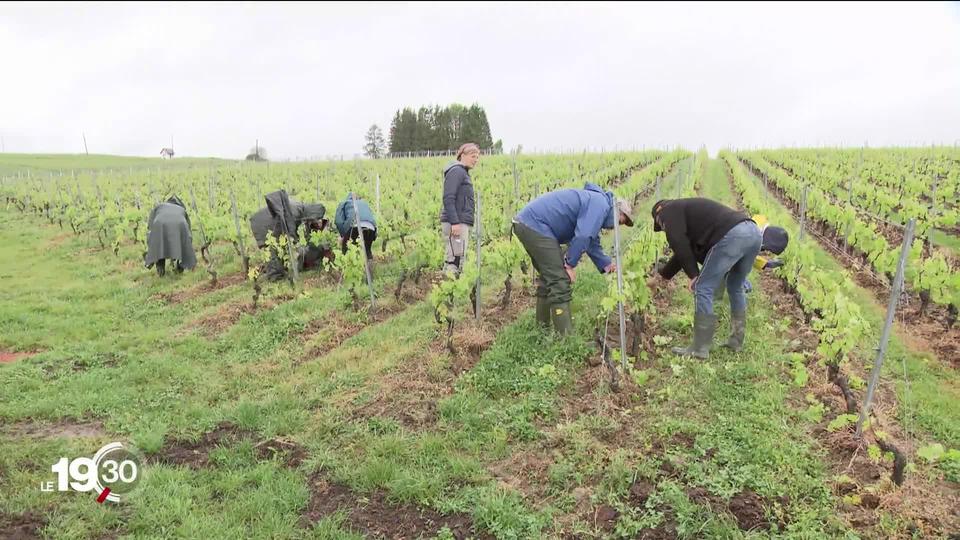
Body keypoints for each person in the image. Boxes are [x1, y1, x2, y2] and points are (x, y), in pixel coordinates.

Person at [649, 198, 788, 358]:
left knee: (703, 287)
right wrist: (665, 275)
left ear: (658, 213)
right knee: (735, 285)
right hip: (753, 233)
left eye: (661, 226)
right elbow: (684, 252)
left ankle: (700, 348)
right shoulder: (690, 214)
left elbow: (678, 243)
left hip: (734, 235)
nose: (664, 228)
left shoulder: (667, 212)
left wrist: (694, 275)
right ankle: (736, 340)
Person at [512, 182, 634, 336]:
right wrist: (569, 265)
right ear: (617, 211)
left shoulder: (599, 203)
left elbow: (591, 241)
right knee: (560, 279)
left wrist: (606, 265)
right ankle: (566, 338)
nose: (616, 226)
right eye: (620, 221)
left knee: (549, 277)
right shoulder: (600, 204)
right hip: (535, 226)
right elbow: (584, 235)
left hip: (527, 223)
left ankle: (541, 330)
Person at [249, 190, 331, 281]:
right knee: (272, 248)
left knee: (275, 246)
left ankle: (277, 272)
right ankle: (275, 276)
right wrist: (295, 246)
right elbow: (290, 230)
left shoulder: (299, 208)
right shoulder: (295, 211)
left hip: (264, 222)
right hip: (263, 225)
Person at [712, 213, 789, 301]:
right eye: (767, 249)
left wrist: (766, 264)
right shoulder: (747, 235)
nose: (765, 251)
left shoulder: (759, 226)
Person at [439, 142, 480, 276]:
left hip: (460, 222)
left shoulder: (462, 173)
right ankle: (448, 291)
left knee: (457, 257)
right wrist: (455, 223)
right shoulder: (457, 171)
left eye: (477, 157)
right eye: (473, 156)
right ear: (463, 155)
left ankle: (450, 289)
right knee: (454, 260)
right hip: (456, 223)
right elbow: (448, 198)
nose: (476, 160)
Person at [144, 195, 197, 277]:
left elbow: (150, 225)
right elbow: (188, 232)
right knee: (182, 246)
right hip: (180, 223)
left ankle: (160, 271)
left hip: (159, 223)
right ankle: (180, 268)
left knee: (160, 246)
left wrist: (151, 242)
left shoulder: (159, 206)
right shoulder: (182, 209)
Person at [334, 193, 377, 260]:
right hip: (370, 227)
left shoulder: (344, 203)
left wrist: (343, 235)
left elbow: (338, 221)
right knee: (367, 250)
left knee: (346, 249)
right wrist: (374, 236)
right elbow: (372, 219)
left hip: (354, 226)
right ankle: (371, 268)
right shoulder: (364, 203)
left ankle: (347, 267)